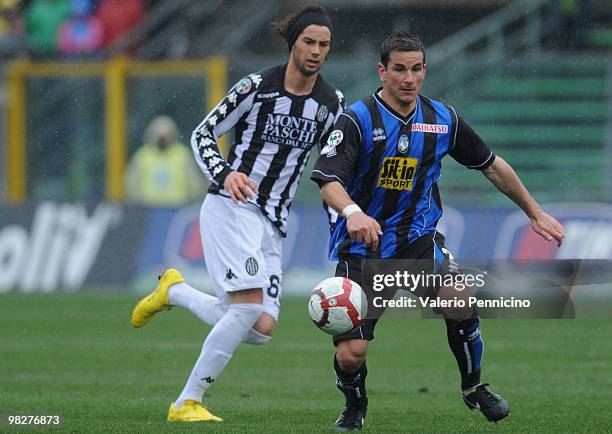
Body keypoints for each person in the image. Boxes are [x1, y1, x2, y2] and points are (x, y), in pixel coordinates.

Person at [311, 31, 565, 431]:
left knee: (459, 296)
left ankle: (474, 386)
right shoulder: (357, 119)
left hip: (417, 241)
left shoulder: (442, 119)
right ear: (382, 71)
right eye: (399, 69)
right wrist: (354, 212)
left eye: (416, 69)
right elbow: (328, 179)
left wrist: (534, 212)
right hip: (363, 249)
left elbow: (492, 165)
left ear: (424, 70)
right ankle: (355, 404)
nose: (408, 78)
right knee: (351, 354)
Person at [130, 4, 344, 423]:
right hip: (232, 207)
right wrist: (226, 173)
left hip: (274, 221)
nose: (316, 51)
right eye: (309, 42)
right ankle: (187, 402)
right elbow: (202, 133)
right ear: (292, 43)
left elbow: (331, 166)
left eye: (324, 44)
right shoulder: (256, 88)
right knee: (246, 309)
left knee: (260, 329)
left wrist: (342, 218)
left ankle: (174, 291)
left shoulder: (330, 103)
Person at [124, 115, 204, 207]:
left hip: (176, 208)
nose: (162, 140)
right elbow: (131, 184)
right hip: (150, 209)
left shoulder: (181, 154)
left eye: (165, 136)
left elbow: (194, 184)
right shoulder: (143, 155)